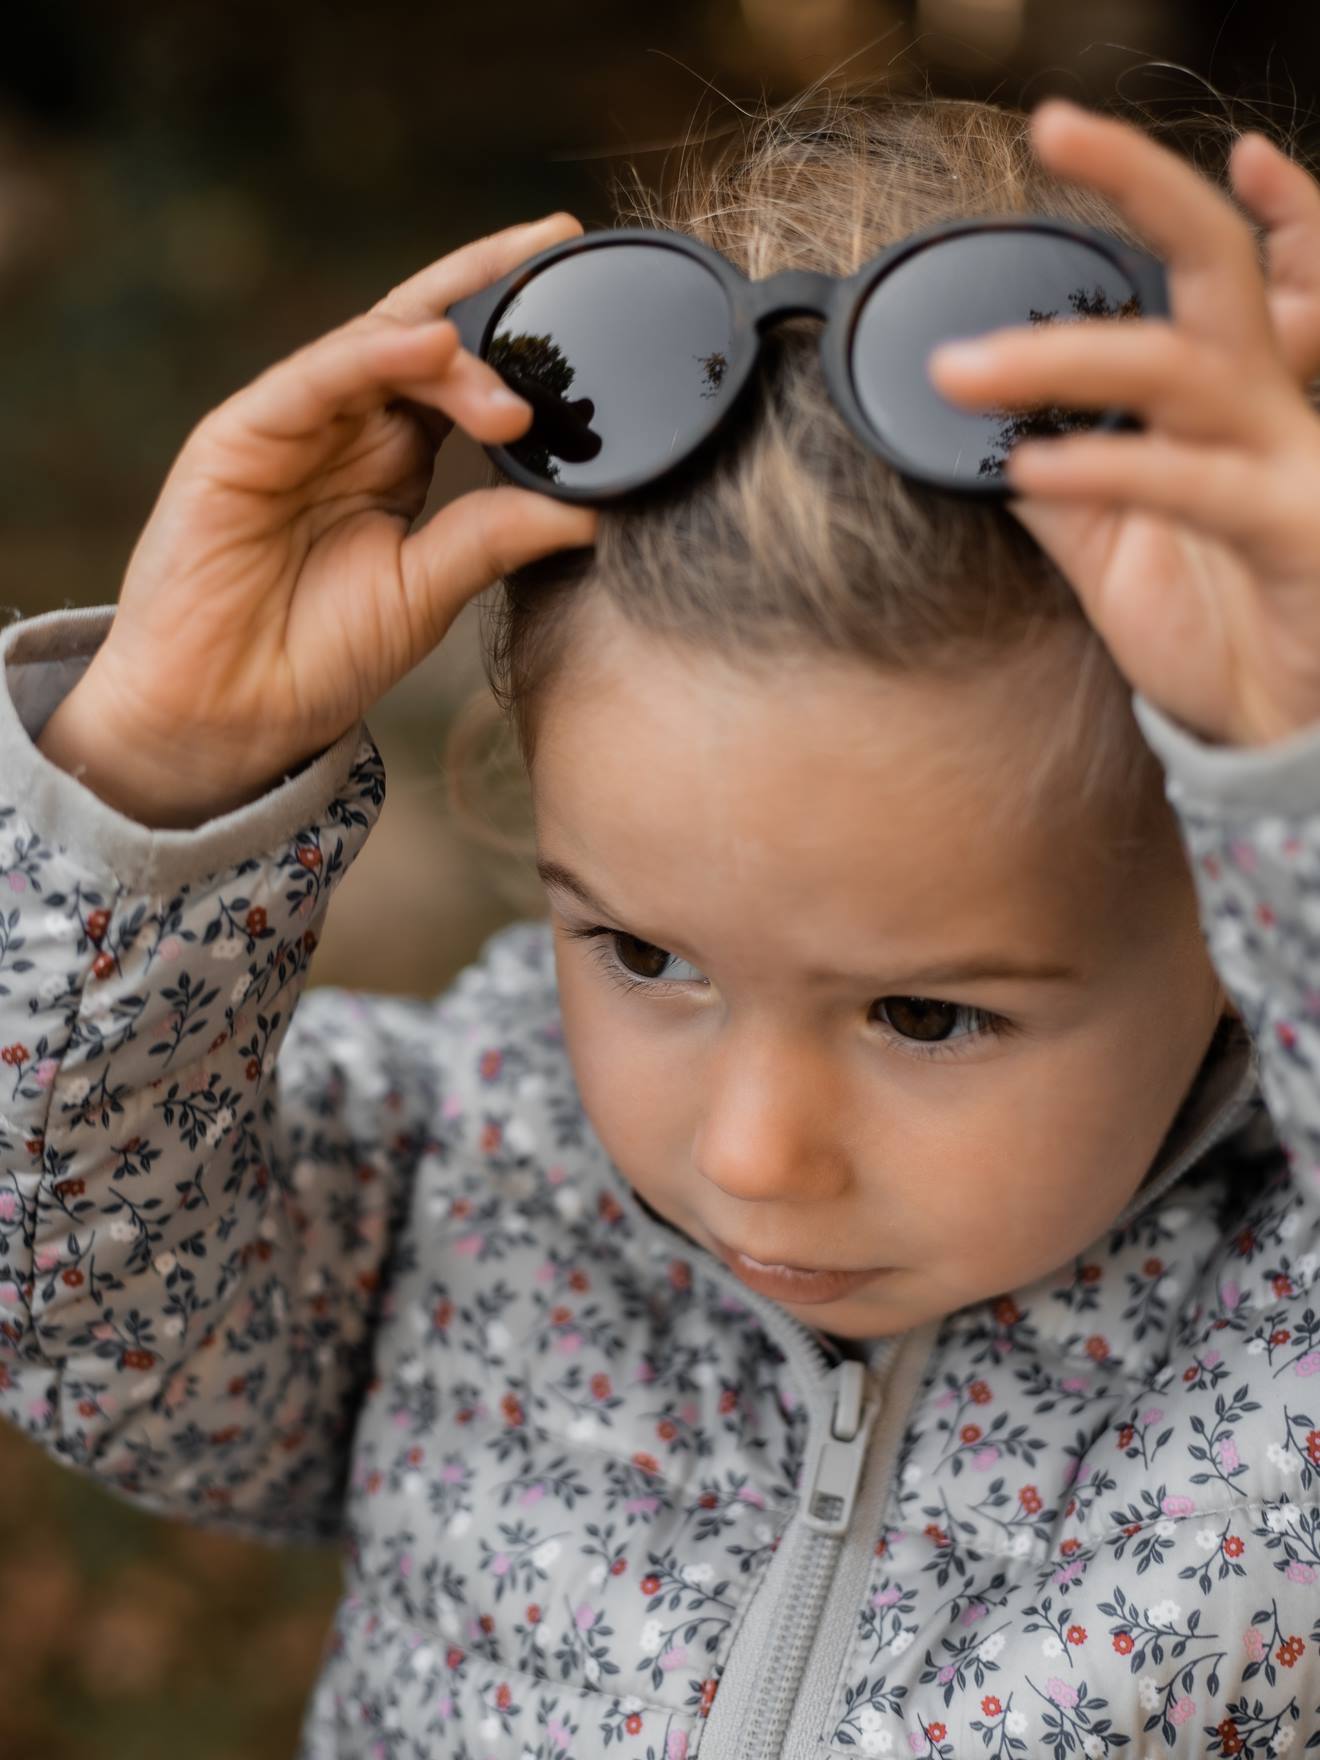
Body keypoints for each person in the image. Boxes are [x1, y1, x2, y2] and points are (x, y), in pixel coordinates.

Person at [2, 82, 1320, 1759]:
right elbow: (75, 1304)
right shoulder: (474, 1175)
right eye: (645, 957)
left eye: (926, 1014)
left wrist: (1291, 761)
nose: (757, 1155)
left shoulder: (1275, 1356)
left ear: (1237, 897)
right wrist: (150, 785)